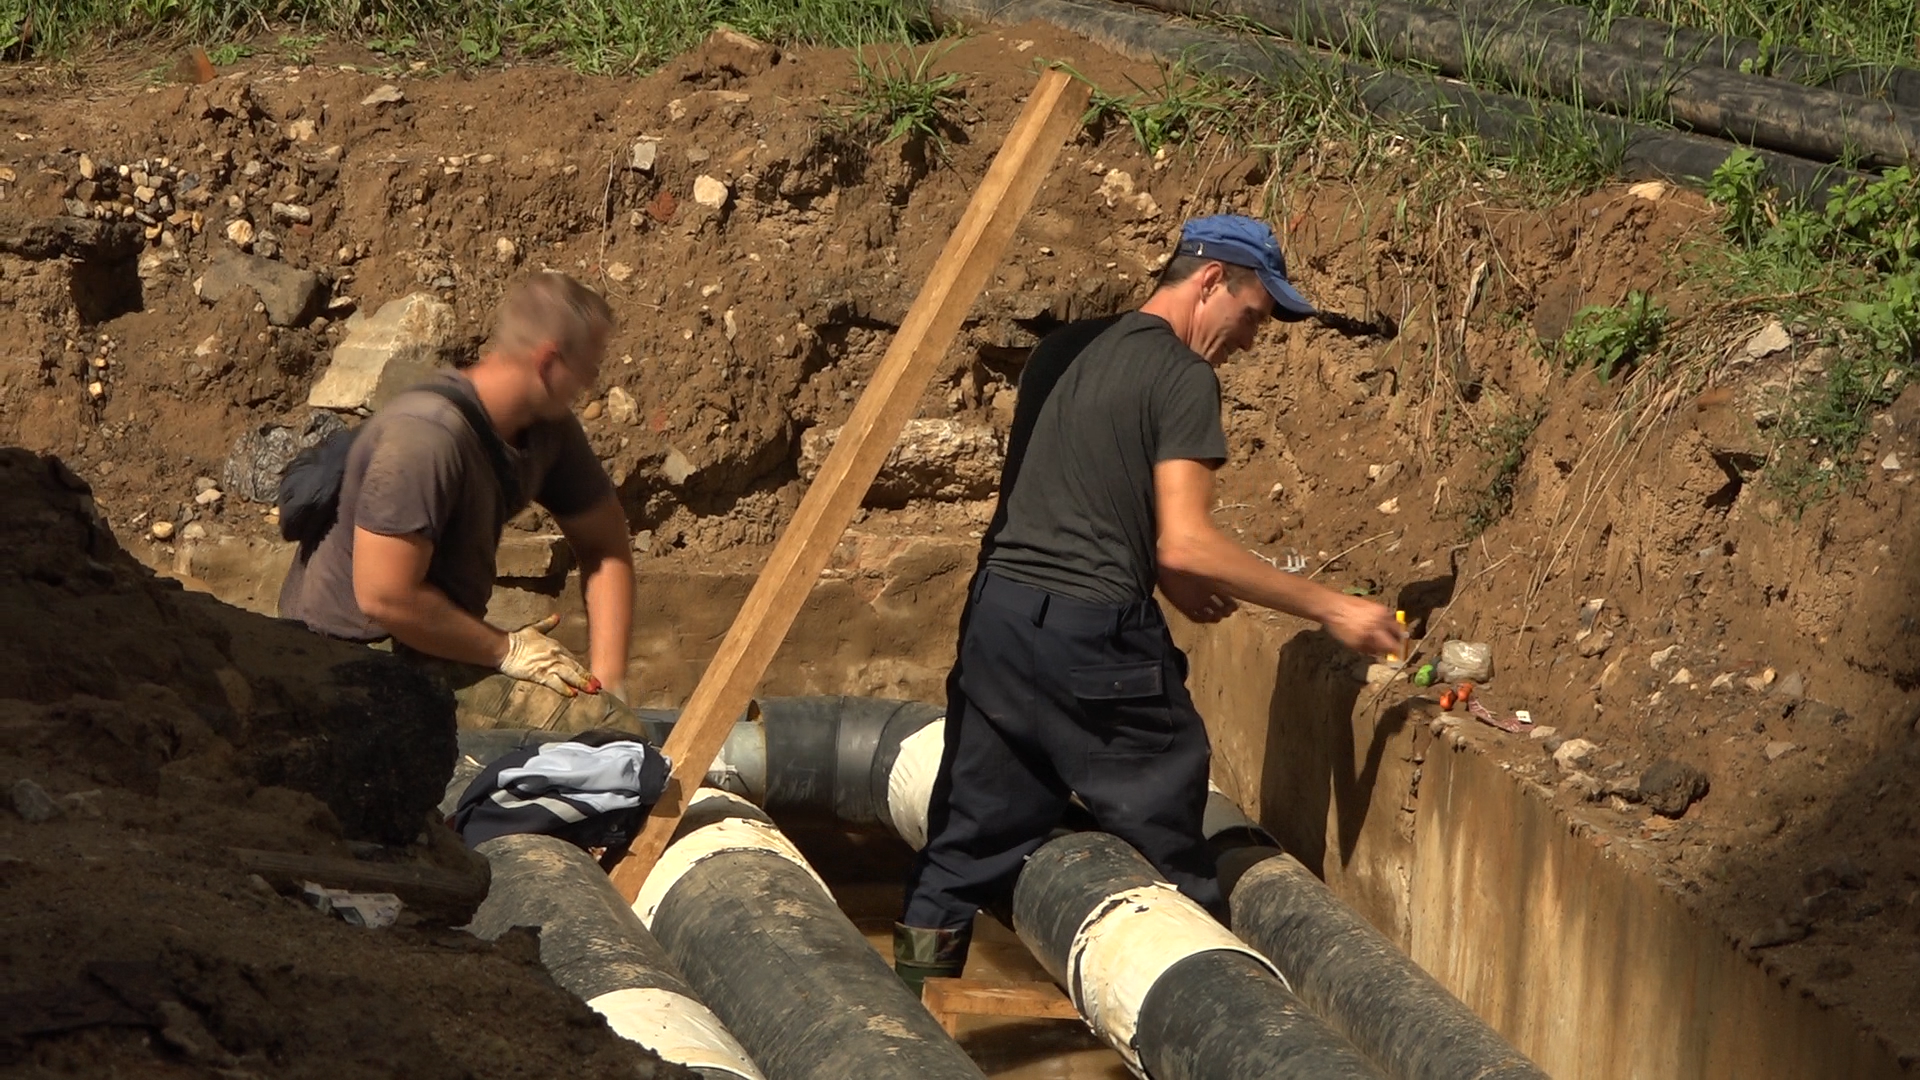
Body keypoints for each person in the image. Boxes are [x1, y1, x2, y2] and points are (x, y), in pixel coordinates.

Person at [892, 214, 1408, 993]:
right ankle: (1215, 1021)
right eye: (1254, 314)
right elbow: (1188, 544)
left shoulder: (1066, 351)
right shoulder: (1181, 376)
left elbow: (1067, 496)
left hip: (999, 618)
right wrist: (1330, 607)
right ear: (1210, 281)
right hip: (1093, 639)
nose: (1253, 338)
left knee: (965, 837)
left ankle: (904, 1012)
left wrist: (1166, 576)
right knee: (1171, 850)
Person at [278, 272, 638, 734]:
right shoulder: (426, 439)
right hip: (349, 658)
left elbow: (604, 547)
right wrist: (507, 650)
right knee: (601, 731)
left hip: (426, 636)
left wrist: (609, 684)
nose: (589, 384)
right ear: (548, 361)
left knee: (607, 718)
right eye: (587, 369)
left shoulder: (545, 427)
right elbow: (385, 596)